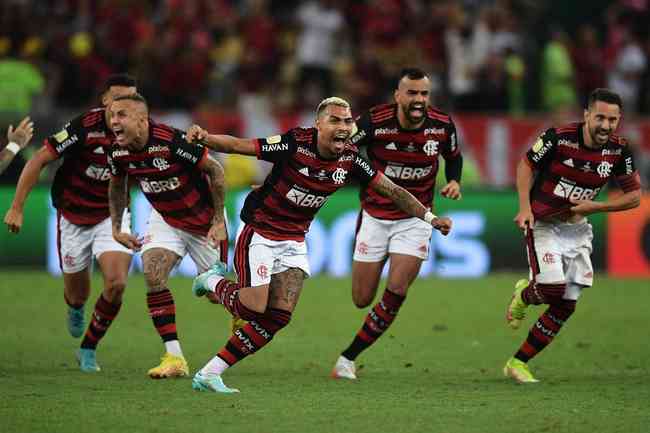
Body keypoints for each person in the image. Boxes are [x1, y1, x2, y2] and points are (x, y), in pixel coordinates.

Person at [185, 96, 453, 393]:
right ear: (318, 125)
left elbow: (391, 189)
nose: (343, 127)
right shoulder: (295, 143)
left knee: (278, 317)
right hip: (261, 231)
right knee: (253, 309)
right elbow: (240, 146)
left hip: (294, 240)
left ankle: (211, 372)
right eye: (335, 120)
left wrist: (429, 217)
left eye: (348, 121)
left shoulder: (350, 158)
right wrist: (205, 138)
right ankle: (212, 280)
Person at [331, 67, 463, 379]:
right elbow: (341, 146)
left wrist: (454, 180)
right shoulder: (375, 121)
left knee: (397, 287)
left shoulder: (443, 125)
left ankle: (348, 358)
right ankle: (351, 352)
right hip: (375, 216)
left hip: (416, 218)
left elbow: (453, 156)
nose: (419, 100)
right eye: (412, 93)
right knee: (361, 299)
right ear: (398, 95)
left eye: (424, 94)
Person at [504, 88, 642, 383]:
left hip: (577, 229)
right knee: (552, 290)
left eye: (613, 120)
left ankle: (518, 362)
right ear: (587, 116)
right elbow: (526, 165)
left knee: (566, 304)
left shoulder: (619, 150)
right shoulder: (558, 138)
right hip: (543, 224)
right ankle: (524, 295)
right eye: (600, 118)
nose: (606, 125)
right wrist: (524, 208)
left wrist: (598, 206)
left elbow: (634, 196)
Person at [4, 75, 137, 373]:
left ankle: (88, 348)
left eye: (132, 98)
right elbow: (39, 159)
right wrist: (17, 207)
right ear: (105, 100)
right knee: (78, 295)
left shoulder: (139, 130)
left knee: (116, 284)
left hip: (112, 215)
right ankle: (76, 308)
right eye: (119, 98)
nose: (125, 105)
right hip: (74, 215)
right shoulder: (83, 127)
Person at [106, 93, 227, 379]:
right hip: (166, 219)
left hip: (203, 222)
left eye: (121, 115)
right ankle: (174, 358)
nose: (114, 122)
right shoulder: (118, 152)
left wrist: (219, 220)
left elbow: (216, 170)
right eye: (112, 116)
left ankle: (240, 313)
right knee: (152, 273)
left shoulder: (172, 141)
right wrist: (118, 227)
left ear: (141, 120)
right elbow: (117, 184)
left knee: (216, 294)